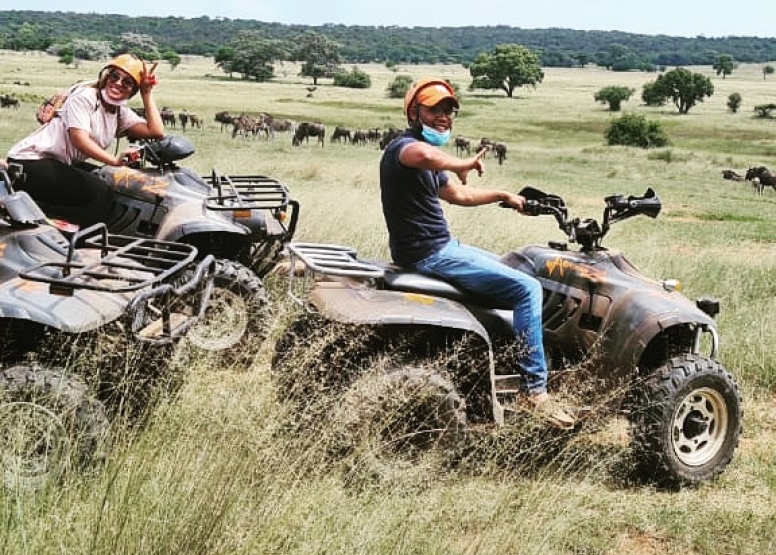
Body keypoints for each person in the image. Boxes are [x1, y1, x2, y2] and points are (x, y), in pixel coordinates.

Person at [379, 77, 575, 430]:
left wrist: (503, 194)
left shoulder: (430, 162)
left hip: (442, 246)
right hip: (429, 253)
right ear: (413, 111)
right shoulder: (404, 148)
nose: (444, 117)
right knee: (527, 289)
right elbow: (423, 155)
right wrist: (459, 163)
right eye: (435, 109)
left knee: (515, 266)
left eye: (449, 111)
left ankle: (506, 360)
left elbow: (460, 196)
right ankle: (535, 391)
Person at [6, 53, 163, 227]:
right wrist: (114, 160)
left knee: (109, 179)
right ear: (106, 77)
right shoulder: (86, 97)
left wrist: (147, 93)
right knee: (101, 192)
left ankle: (64, 226)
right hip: (32, 159)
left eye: (127, 82)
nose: (118, 83)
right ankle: (79, 243)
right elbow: (79, 138)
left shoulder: (119, 112)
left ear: (133, 90)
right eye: (115, 76)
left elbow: (155, 131)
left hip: (59, 162)